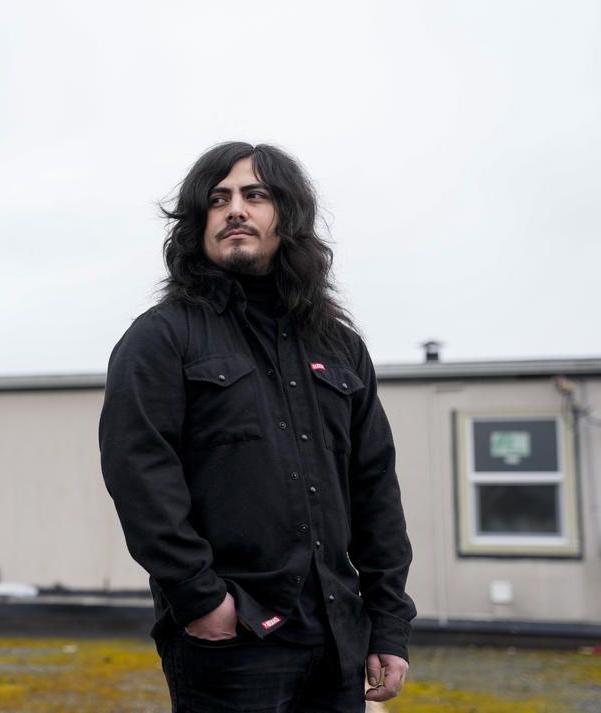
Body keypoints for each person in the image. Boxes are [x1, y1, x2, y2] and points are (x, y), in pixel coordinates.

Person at [99, 142, 416, 712]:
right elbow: (139, 474)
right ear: (198, 225)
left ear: (287, 216)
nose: (234, 210)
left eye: (255, 195)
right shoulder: (161, 338)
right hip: (233, 638)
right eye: (217, 200)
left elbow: (375, 488)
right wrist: (200, 599)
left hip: (339, 635)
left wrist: (388, 621)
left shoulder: (341, 348)